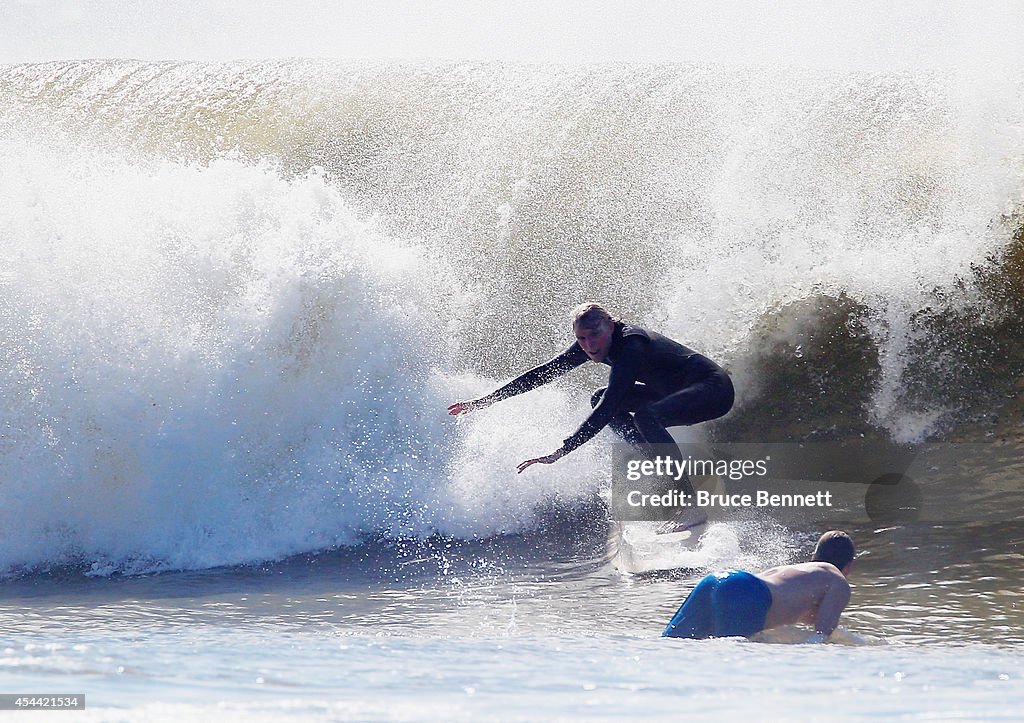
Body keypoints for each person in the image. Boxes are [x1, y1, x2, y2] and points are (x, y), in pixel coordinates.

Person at [447, 303, 734, 528]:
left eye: (594, 334)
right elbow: (542, 374)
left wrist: (563, 449)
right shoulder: (592, 344)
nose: (589, 345)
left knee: (641, 415)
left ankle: (691, 504)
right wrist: (485, 401)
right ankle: (674, 477)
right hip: (673, 392)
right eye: (581, 339)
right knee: (603, 399)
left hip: (713, 390)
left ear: (610, 326)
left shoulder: (630, 345)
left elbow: (609, 405)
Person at [662, 530, 856, 640]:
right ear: (848, 566)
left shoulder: (804, 571)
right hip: (748, 595)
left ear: (813, 557)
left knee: (671, 646)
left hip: (718, 581)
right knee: (726, 662)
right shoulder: (838, 581)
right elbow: (821, 636)